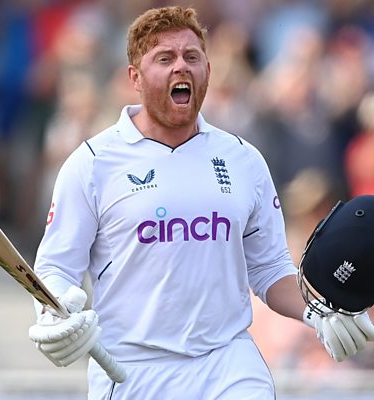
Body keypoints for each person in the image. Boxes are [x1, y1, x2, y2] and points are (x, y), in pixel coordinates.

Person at [28, 6, 374, 399]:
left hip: (227, 362)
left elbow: (270, 269)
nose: (181, 66)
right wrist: (54, 314)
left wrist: (317, 313)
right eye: (165, 58)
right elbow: (56, 267)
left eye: (191, 57)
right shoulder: (92, 164)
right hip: (133, 368)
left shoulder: (243, 160)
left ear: (207, 70)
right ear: (134, 77)